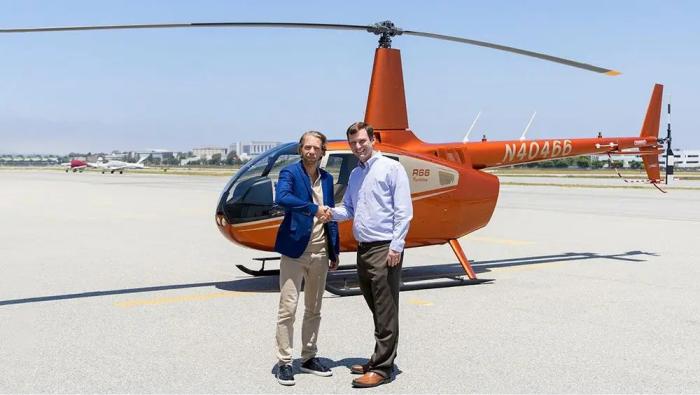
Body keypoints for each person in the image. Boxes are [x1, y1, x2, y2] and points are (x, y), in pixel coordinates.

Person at [328, 121, 413, 388]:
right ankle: (379, 357)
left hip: (384, 247)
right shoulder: (355, 175)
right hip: (363, 249)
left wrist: (396, 246)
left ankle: (382, 368)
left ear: (373, 140)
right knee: (375, 306)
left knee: (386, 308)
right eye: (353, 143)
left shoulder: (391, 168)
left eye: (362, 141)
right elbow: (349, 209)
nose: (358, 147)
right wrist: (327, 213)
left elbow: (404, 211)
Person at [273, 130, 340, 386]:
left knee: (314, 308)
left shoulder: (326, 179)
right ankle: (285, 362)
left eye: (316, 148)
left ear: (323, 152)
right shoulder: (290, 173)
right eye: (307, 147)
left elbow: (330, 216)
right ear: (301, 149)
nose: (311, 152)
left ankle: (309, 356)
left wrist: (335, 251)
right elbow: (283, 197)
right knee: (287, 308)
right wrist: (313, 208)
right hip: (295, 251)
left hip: (321, 251)